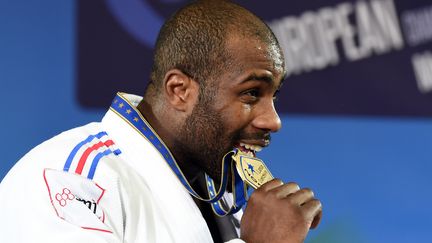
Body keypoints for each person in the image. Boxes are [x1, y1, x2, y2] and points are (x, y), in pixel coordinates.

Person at [0, 0, 322, 242]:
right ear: (179, 90)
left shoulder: (224, 198)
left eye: (274, 95)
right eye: (251, 94)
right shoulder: (72, 178)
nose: (273, 121)